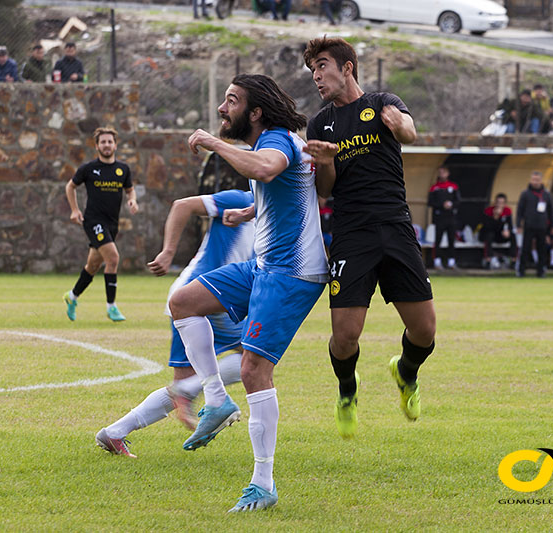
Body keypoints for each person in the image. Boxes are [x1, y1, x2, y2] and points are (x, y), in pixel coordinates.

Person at [169, 74, 327, 512]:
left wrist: (212, 142)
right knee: (182, 301)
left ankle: (263, 483)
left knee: (255, 369)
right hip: (263, 265)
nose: (223, 108)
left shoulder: (275, 139)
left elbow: (266, 167)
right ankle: (216, 401)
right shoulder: (271, 142)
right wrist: (253, 209)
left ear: (254, 113)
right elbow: (288, 186)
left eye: (231, 101)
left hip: (293, 273)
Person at [302, 37, 436, 438]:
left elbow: (409, 131)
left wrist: (402, 127)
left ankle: (406, 372)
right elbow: (325, 190)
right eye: (312, 71)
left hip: (396, 227)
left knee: (425, 331)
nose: (316, 77)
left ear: (347, 68)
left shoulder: (382, 102)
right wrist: (325, 163)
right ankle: (347, 390)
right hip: (351, 234)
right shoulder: (319, 124)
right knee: (344, 337)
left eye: (322, 66)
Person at [95, 188, 256, 457]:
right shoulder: (242, 200)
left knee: (183, 384)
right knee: (257, 356)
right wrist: (168, 252)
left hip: (193, 298)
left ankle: (114, 433)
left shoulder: (270, 211)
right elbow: (182, 205)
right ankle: (190, 392)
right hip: (206, 295)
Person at [63, 127, 138, 322]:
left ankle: (72, 297)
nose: (106, 145)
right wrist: (74, 209)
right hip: (93, 221)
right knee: (113, 258)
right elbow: (70, 186)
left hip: (112, 224)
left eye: (109, 142)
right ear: (97, 146)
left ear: (115, 145)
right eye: (103, 142)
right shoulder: (88, 169)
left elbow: (130, 190)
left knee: (93, 265)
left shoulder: (123, 169)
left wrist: (132, 200)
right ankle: (111, 307)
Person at [516, 170, 553, 278]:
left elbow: (551, 211)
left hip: (542, 226)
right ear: (530, 180)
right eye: (533, 180)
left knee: (541, 249)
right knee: (525, 248)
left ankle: (541, 270)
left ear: (541, 180)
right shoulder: (525, 194)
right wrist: (518, 225)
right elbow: (520, 211)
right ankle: (521, 270)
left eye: (537, 180)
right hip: (529, 225)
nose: (535, 182)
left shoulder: (546, 195)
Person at [427, 165, 460, 269]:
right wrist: (442, 205)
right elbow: (430, 202)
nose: (442, 174)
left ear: (448, 173)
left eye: (444, 172)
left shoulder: (453, 187)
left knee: (451, 239)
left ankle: (451, 261)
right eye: (440, 172)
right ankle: (437, 261)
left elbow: (458, 201)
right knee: (438, 239)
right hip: (439, 217)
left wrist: (451, 205)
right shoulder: (434, 188)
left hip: (451, 217)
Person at [480, 193, 517, 269]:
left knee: (513, 235)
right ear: (495, 202)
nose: (499, 205)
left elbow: (510, 225)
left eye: (502, 203)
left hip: (502, 235)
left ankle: (513, 261)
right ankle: (488, 260)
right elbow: (487, 227)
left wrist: (507, 232)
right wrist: (495, 217)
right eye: (498, 202)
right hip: (491, 234)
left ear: (505, 204)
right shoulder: (488, 211)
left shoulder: (507, 211)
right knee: (489, 235)